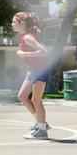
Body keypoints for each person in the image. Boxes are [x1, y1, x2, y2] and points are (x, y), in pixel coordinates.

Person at [13, 12, 50, 140]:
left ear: (21, 23)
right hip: (33, 70)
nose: (11, 24)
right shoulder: (25, 36)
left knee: (36, 100)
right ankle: (41, 123)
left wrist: (24, 54)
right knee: (22, 96)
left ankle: (42, 131)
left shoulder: (28, 37)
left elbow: (44, 51)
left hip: (40, 70)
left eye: (14, 22)